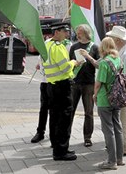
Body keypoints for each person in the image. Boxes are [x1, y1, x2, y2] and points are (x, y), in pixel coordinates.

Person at [42, 22, 80, 161]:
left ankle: (57, 146)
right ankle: (61, 151)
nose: (67, 34)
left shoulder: (47, 44)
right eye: (65, 31)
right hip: (62, 85)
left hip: (51, 85)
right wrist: (74, 63)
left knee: (55, 117)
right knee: (64, 119)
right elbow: (64, 68)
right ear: (57, 32)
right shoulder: (59, 47)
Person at [94, 37, 124, 170]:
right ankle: (119, 158)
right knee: (118, 127)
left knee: (108, 130)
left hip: (105, 99)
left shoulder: (104, 63)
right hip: (117, 97)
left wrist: (94, 95)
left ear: (103, 47)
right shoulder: (118, 59)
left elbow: (99, 82)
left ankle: (111, 161)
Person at [68, 24, 99, 147]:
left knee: (89, 112)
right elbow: (69, 63)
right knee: (70, 110)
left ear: (86, 33)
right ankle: (66, 135)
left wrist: (88, 56)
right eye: (77, 32)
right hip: (75, 82)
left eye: (79, 32)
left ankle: (87, 137)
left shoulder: (94, 47)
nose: (77, 34)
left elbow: (98, 65)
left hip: (89, 83)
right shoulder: (74, 47)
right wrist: (75, 63)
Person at [106, 26, 126, 156]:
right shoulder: (122, 51)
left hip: (125, 94)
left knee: (125, 121)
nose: (110, 40)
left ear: (118, 40)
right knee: (121, 120)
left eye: (112, 38)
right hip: (123, 93)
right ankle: (122, 145)